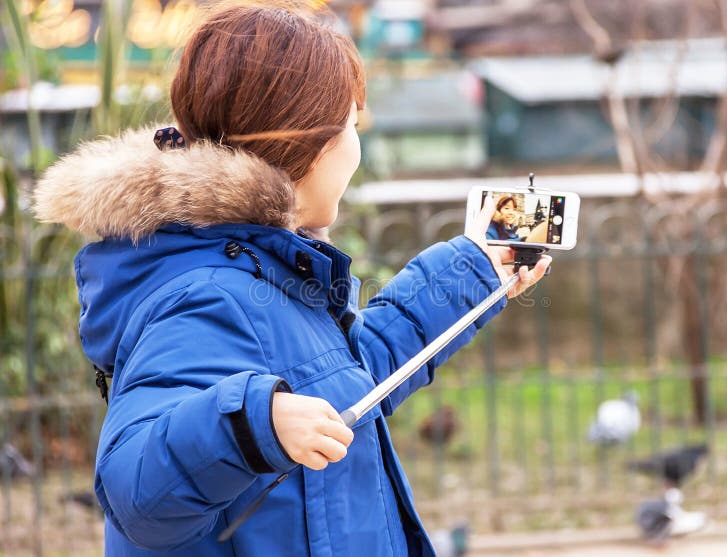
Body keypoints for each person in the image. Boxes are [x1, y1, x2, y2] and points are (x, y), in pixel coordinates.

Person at [33, 2, 551, 556]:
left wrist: (473, 271)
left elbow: (346, 382)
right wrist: (255, 424)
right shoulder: (205, 292)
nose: (358, 145)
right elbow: (136, 490)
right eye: (352, 124)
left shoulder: (252, 265)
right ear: (308, 143)